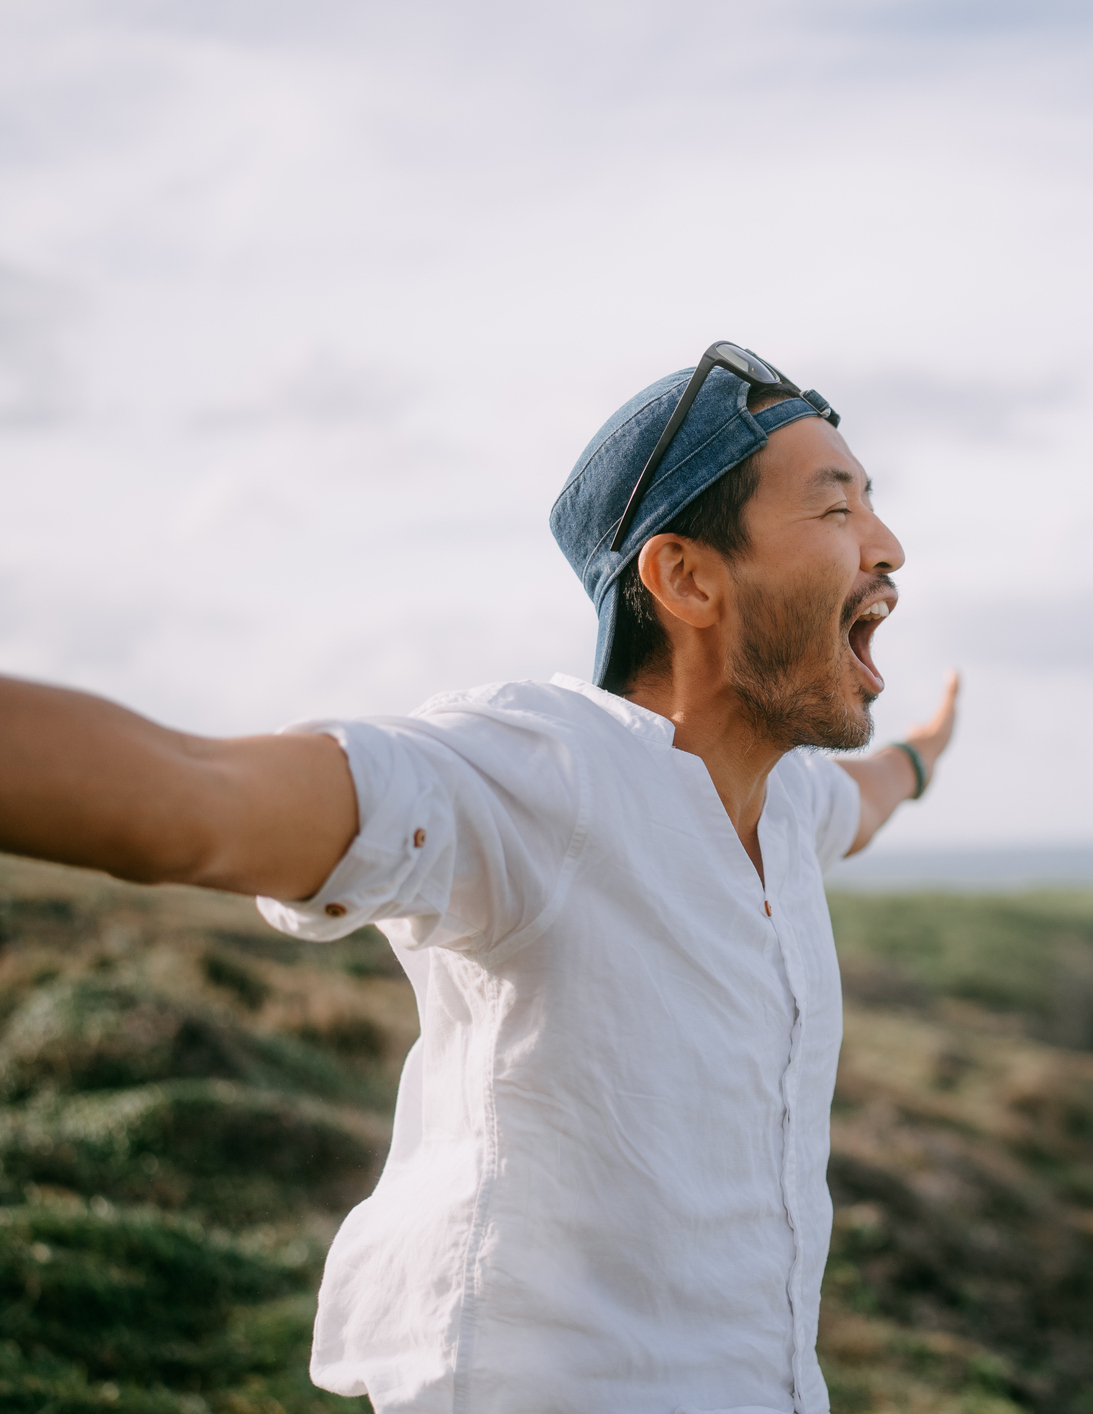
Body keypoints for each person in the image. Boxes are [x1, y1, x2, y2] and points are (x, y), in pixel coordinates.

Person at [0, 341, 959, 1414]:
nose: (890, 545)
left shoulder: (785, 804)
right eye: (836, 512)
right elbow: (194, 795)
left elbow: (865, 798)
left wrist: (922, 753)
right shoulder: (539, 774)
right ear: (687, 577)